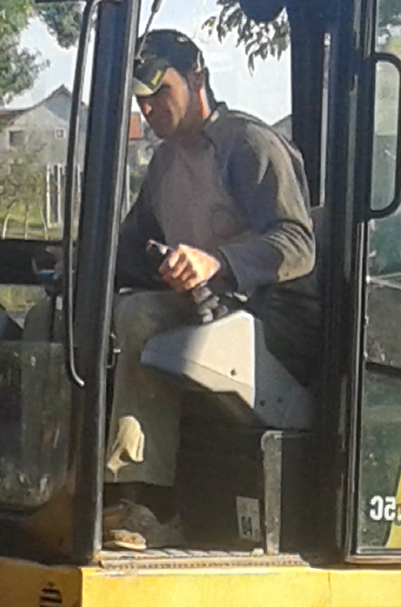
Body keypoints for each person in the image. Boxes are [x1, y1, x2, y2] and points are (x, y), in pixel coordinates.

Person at [102, 29, 315, 546]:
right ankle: (78, 482)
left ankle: (151, 503)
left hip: (270, 316)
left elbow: (297, 243)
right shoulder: (165, 164)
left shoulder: (248, 145)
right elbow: (134, 247)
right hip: (203, 311)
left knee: (138, 319)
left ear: (196, 76)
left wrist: (215, 261)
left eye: (160, 94)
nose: (149, 109)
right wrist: (80, 265)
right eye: (142, 100)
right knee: (86, 312)